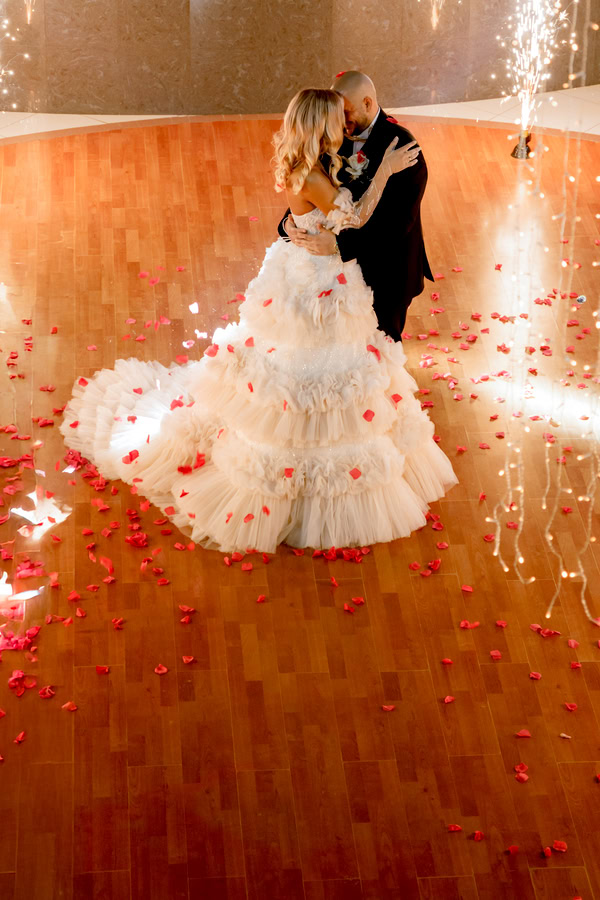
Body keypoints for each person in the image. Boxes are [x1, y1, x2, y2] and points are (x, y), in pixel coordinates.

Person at [60, 89, 456, 553]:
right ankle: (300, 473)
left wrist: (305, 224)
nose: (344, 128)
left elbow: (318, 214)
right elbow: (356, 217)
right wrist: (384, 172)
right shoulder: (313, 173)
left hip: (314, 272)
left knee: (316, 371)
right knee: (310, 374)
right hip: (318, 285)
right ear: (321, 126)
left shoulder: (311, 162)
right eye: (336, 120)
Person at [278, 71, 433, 341]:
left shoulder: (402, 149)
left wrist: (339, 246)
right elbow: (311, 191)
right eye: (336, 114)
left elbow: (396, 226)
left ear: (367, 104)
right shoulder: (330, 138)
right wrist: (289, 225)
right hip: (336, 276)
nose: (341, 121)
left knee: (379, 354)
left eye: (346, 113)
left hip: (386, 272)